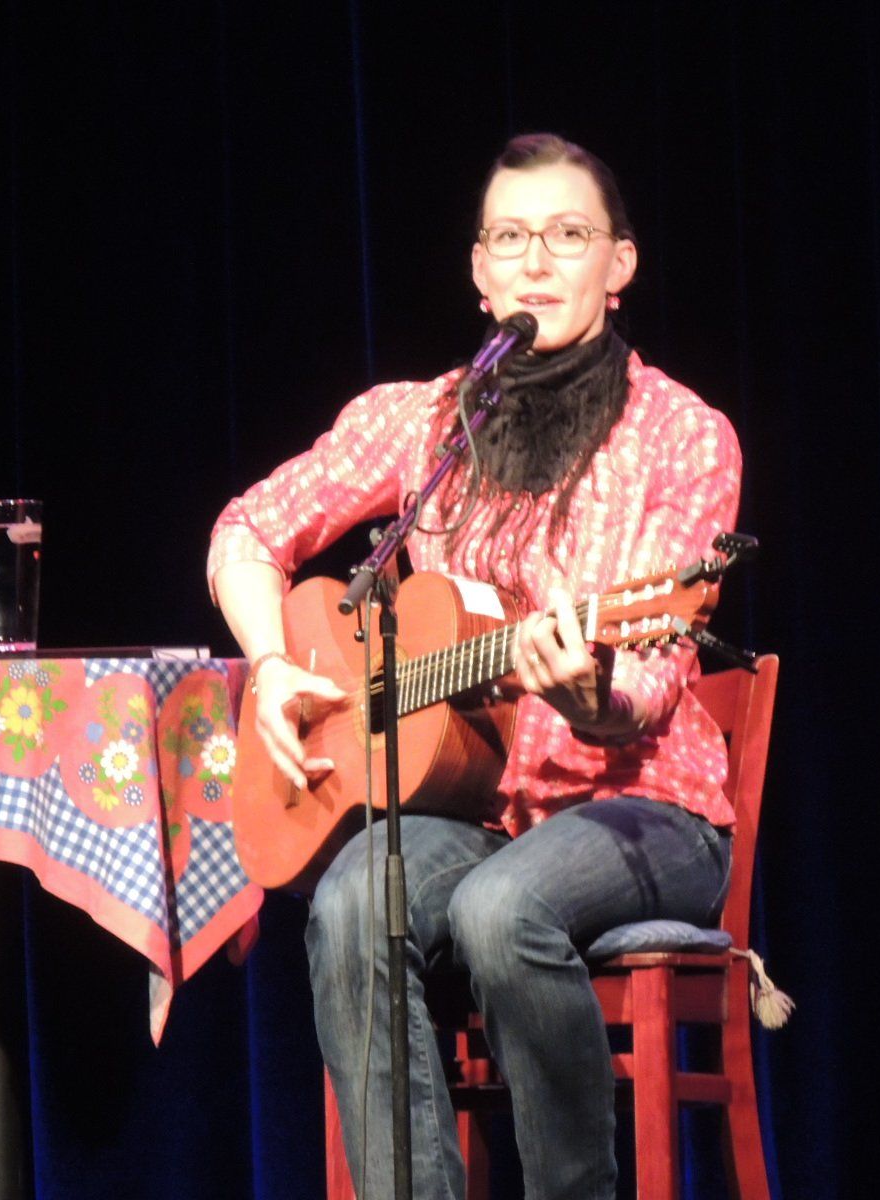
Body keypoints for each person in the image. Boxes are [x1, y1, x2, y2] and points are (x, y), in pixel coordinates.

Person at [208, 132, 741, 1200]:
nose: (535, 262)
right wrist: (269, 667)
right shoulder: (424, 423)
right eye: (510, 238)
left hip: (648, 811)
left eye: (567, 235)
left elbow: (643, 691)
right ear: (478, 272)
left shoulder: (682, 436)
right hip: (483, 809)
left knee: (502, 911)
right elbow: (247, 531)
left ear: (620, 264)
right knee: (351, 902)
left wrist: (588, 694)